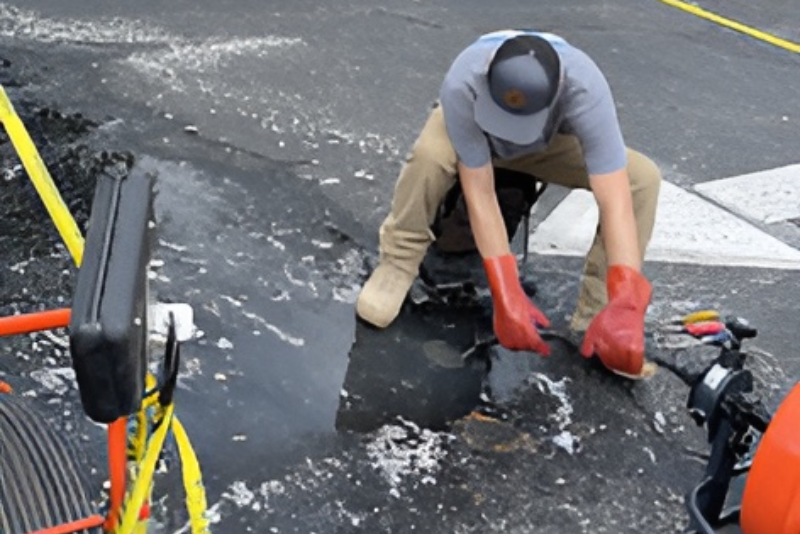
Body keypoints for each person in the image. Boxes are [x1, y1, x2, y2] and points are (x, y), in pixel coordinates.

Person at [357, 29, 661, 378]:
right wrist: (506, 292)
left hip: (544, 144)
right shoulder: (464, 80)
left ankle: (602, 318)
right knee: (430, 155)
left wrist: (626, 300)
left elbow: (616, 201)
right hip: (475, 137)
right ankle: (397, 263)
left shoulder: (586, 91)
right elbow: (481, 193)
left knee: (642, 178)